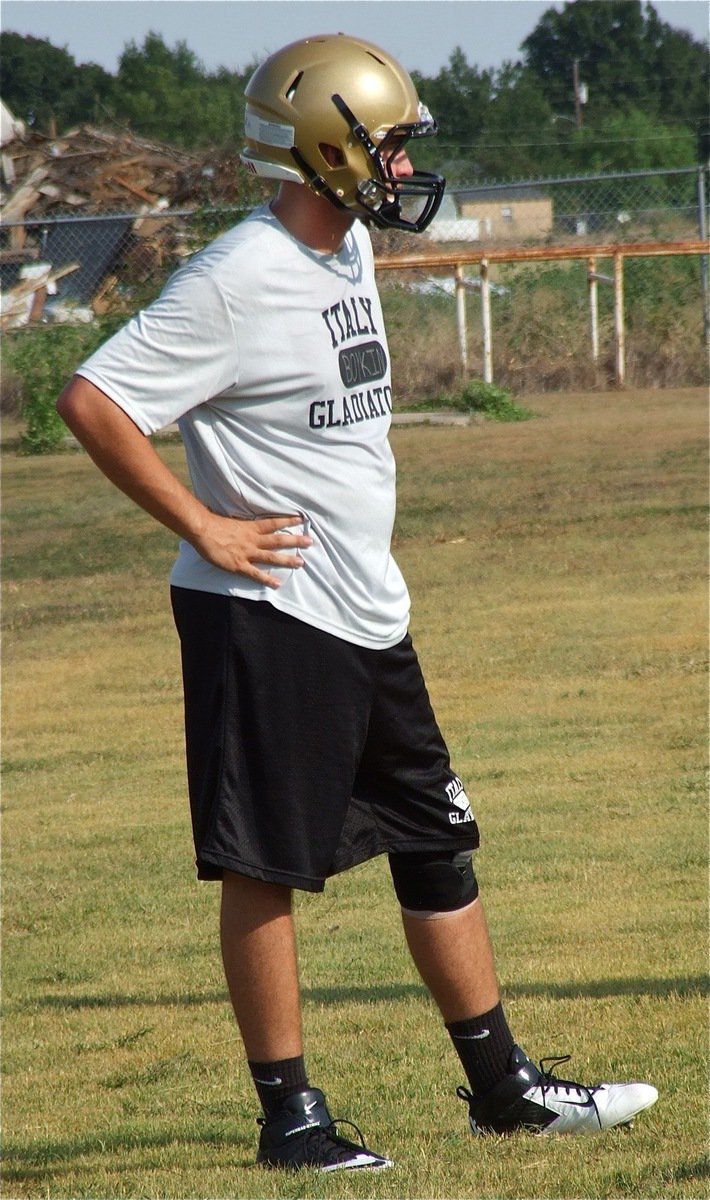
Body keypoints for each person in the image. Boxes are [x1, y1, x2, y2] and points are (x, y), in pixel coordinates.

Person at [57, 33, 657, 1173]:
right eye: (384, 147)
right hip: (269, 613)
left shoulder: (346, 257)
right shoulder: (239, 272)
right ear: (325, 148)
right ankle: (289, 1120)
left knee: (437, 840)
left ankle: (502, 1092)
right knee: (266, 864)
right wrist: (205, 525)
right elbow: (94, 400)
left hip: (365, 611)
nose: (397, 169)